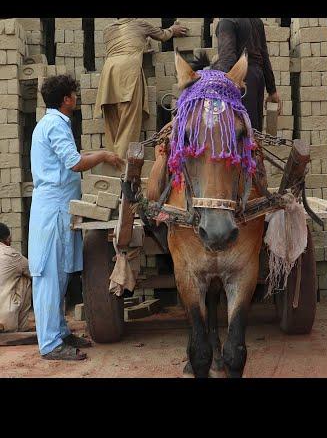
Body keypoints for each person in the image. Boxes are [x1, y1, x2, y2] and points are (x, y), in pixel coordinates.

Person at [30, 74, 125, 361]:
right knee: (49, 274)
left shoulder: (52, 123)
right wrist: (105, 155)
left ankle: (59, 333)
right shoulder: (55, 125)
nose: (77, 98)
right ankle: (50, 344)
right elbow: (74, 163)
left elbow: (70, 157)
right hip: (53, 208)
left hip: (59, 206)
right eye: (74, 94)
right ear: (66, 99)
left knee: (59, 275)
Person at [95, 19, 188, 158]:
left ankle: (111, 164)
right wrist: (173, 30)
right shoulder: (140, 24)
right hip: (128, 72)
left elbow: (126, 45)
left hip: (109, 74)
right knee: (129, 122)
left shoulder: (108, 30)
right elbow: (163, 35)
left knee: (112, 124)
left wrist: (141, 48)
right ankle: (122, 164)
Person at [212, 18, 280, 131]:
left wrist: (216, 86)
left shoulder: (227, 21)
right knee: (254, 129)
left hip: (241, 79)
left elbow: (227, 58)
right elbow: (264, 55)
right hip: (257, 77)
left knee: (242, 131)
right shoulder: (257, 21)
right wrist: (272, 90)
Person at [0, 223, 32, 333]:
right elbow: (33, 272)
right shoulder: (11, 254)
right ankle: (20, 327)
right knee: (25, 278)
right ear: (8, 238)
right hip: (4, 321)